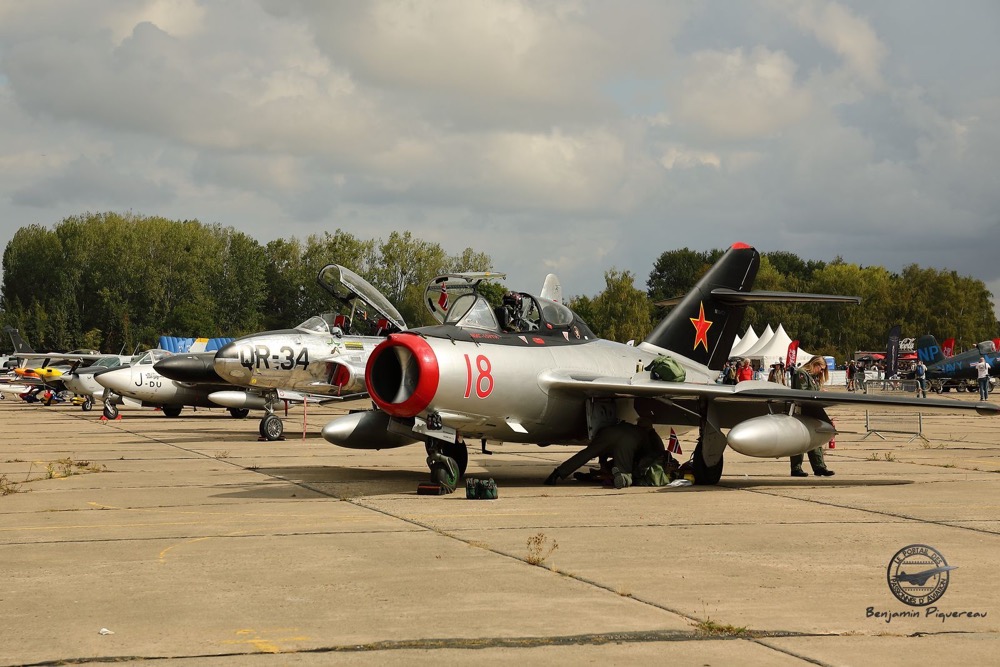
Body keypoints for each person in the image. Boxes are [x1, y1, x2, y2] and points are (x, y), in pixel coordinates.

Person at [545, 418, 664, 488]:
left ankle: (556, 474)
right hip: (626, 443)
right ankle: (622, 479)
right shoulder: (644, 434)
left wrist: (603, 463)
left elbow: (603, 450)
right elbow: (646, 455)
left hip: (608, 433)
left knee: (586, 454)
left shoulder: (626, 426)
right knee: (624, 470)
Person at [789, 355, 835, 477]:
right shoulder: (801, 373)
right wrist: (818, 393)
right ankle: (796, 468)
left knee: (815, 439)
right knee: (799, 440)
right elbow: (802, 393)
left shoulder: (812, 377)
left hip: (812, 410)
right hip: (801, 411)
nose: (821, 372)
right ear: (815, 364)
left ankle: (819, 467)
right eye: (821, 368)